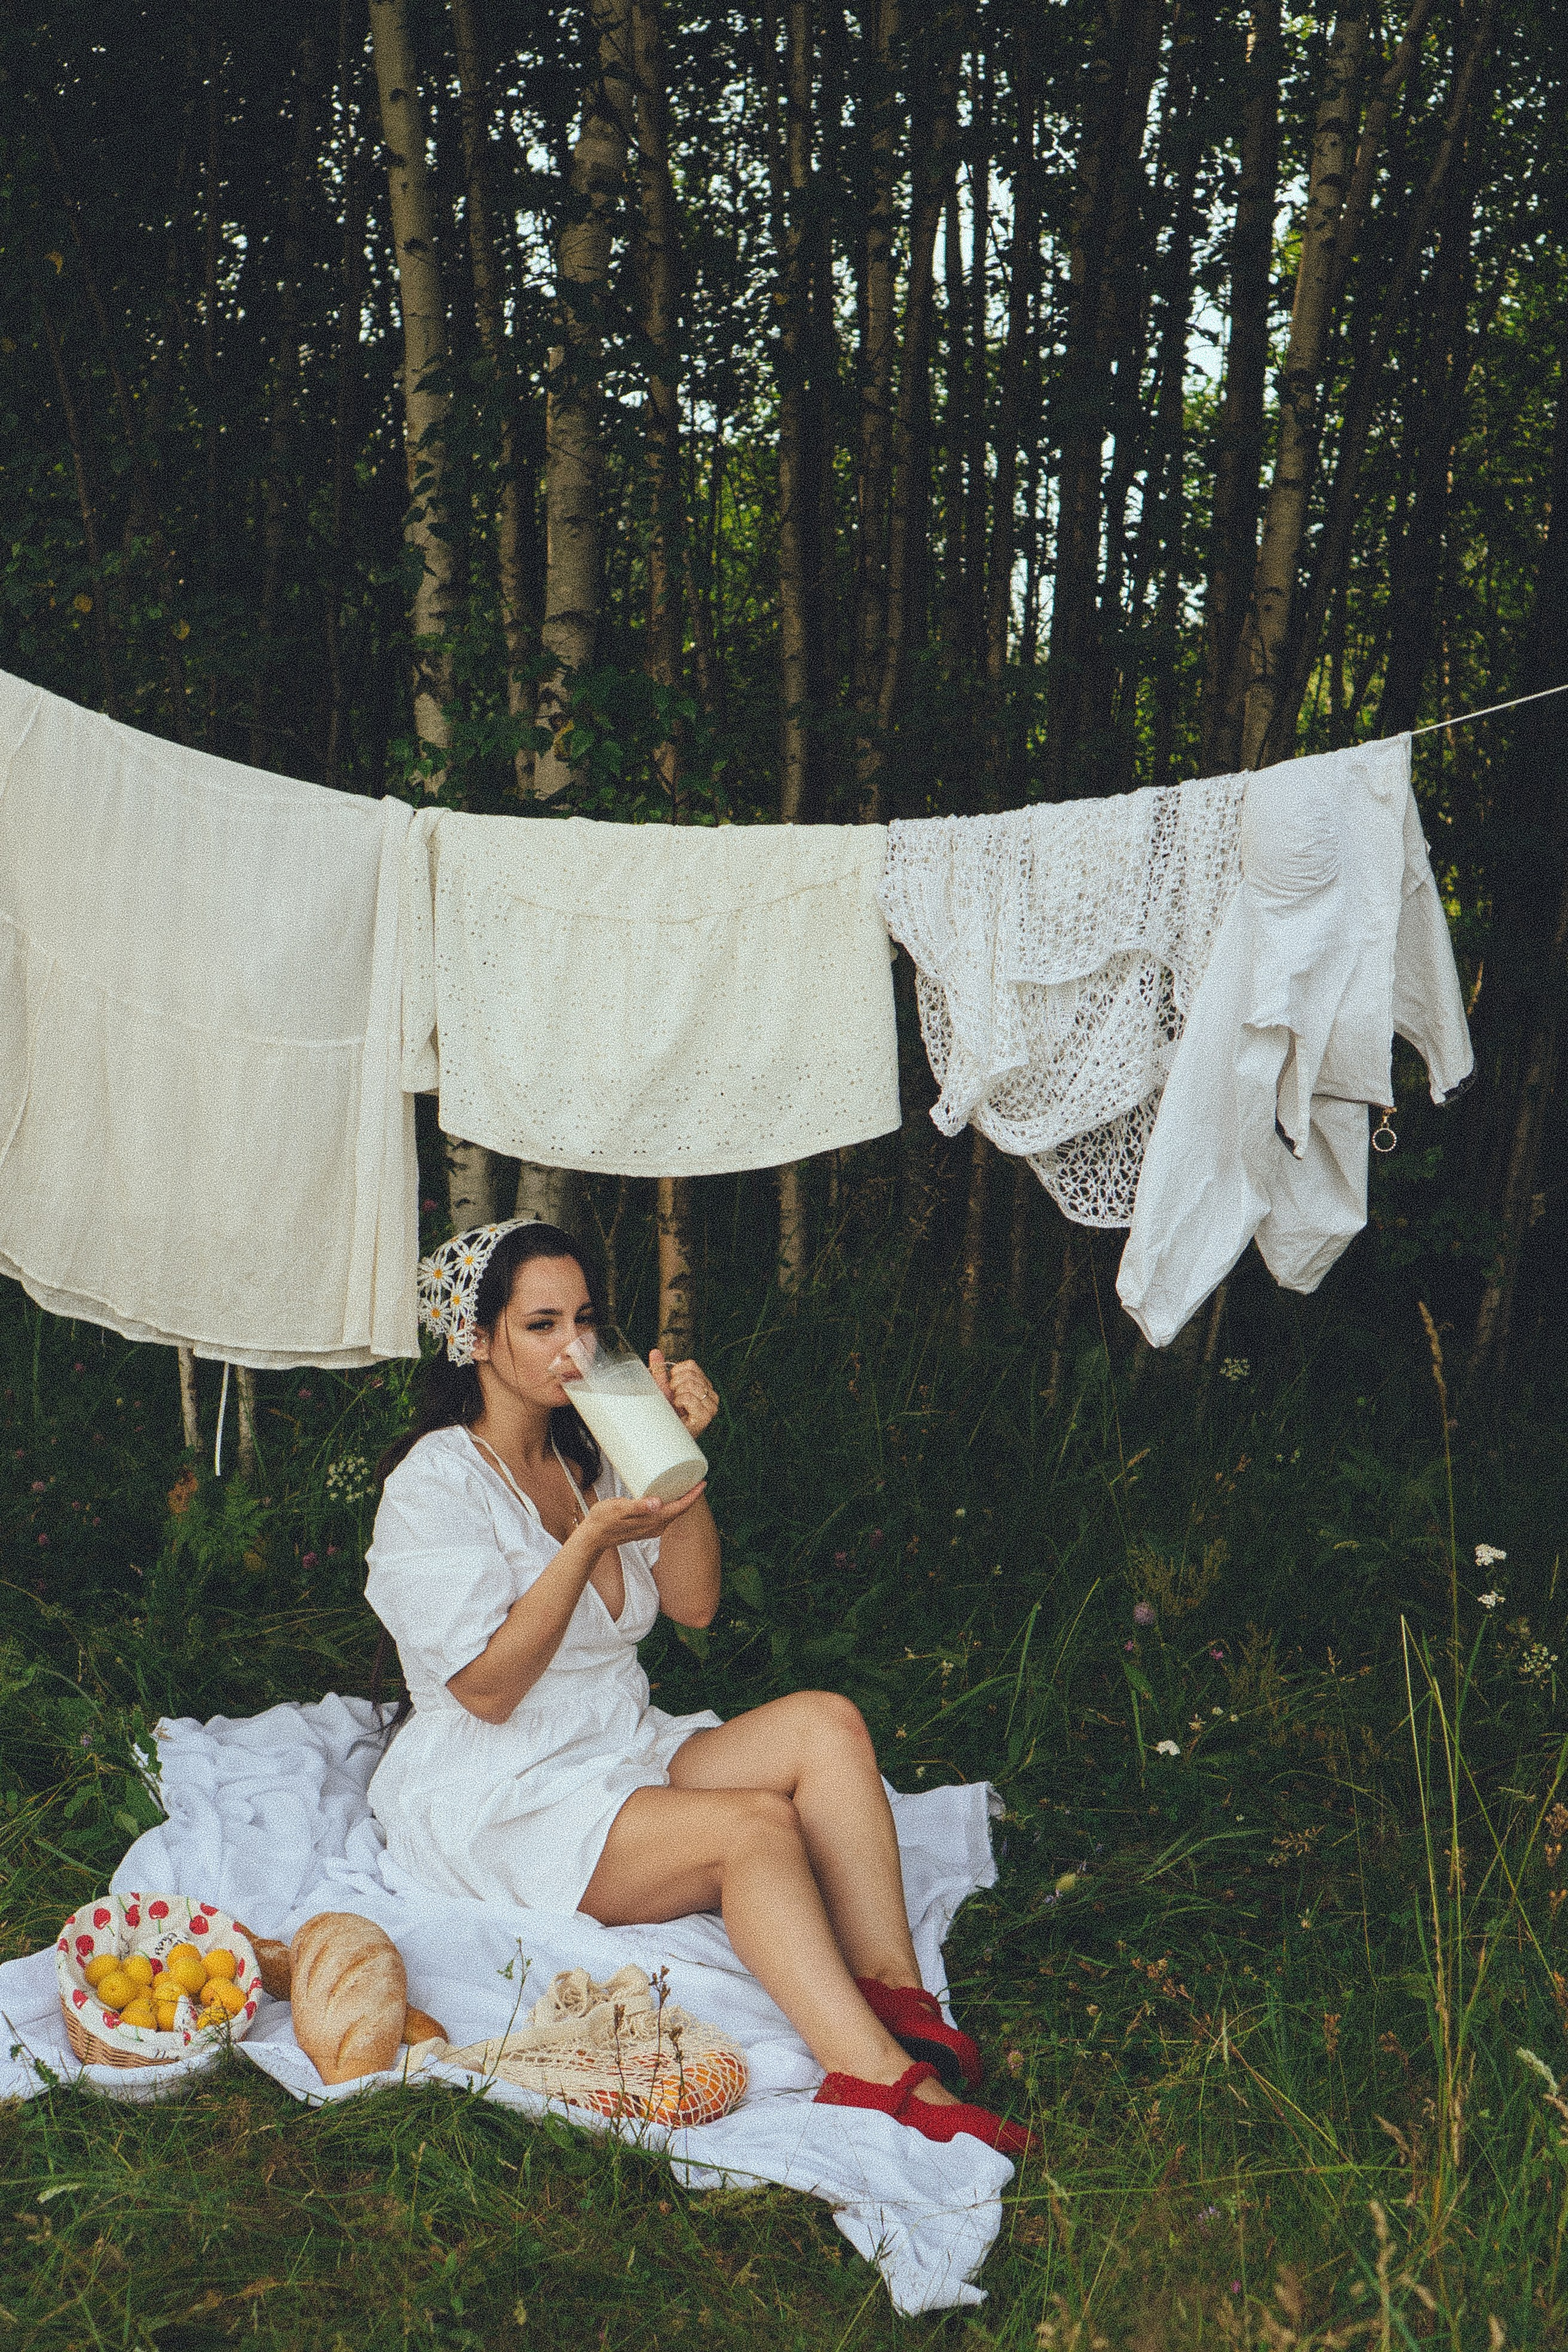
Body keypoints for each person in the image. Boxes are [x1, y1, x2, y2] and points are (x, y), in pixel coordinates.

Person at [366, 1218, 1030, 2157]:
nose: (574, 1349)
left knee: (826, 1726)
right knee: (752, 1828)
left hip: (614, 1741)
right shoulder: (435, 1484)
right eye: (541, 1325)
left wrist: (675, 1459)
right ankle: (873, 2076)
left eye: (585, 1321)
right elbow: (487, 1689)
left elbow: (695, 1605)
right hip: (502, 1786)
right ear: (477, 1341)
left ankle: (893, 1991)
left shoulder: (584, 1450)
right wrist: (588, 1541)